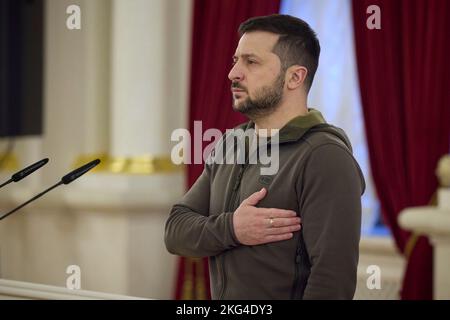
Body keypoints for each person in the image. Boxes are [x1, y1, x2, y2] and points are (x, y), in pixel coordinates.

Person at [165, 14, 365, 300]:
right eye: (235, 60)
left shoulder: (326, 156)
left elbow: (332, 280)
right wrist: (233, 228)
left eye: (251, 62)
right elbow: (176, 231)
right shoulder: (230, 144)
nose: (233, 73)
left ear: (294, 77)